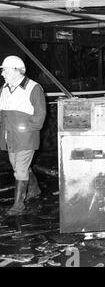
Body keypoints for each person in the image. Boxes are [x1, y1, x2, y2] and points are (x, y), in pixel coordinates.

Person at [0, 55, 46, 216]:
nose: (2, 73)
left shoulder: (34, 88)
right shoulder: (4, 88)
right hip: (9, 137)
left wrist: (26, 128)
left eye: (5, 70)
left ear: (17, 70)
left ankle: (18, 205)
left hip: (26, 137)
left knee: (20, 169)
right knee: (17, 166)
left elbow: (40, 115)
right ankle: (34, 189)